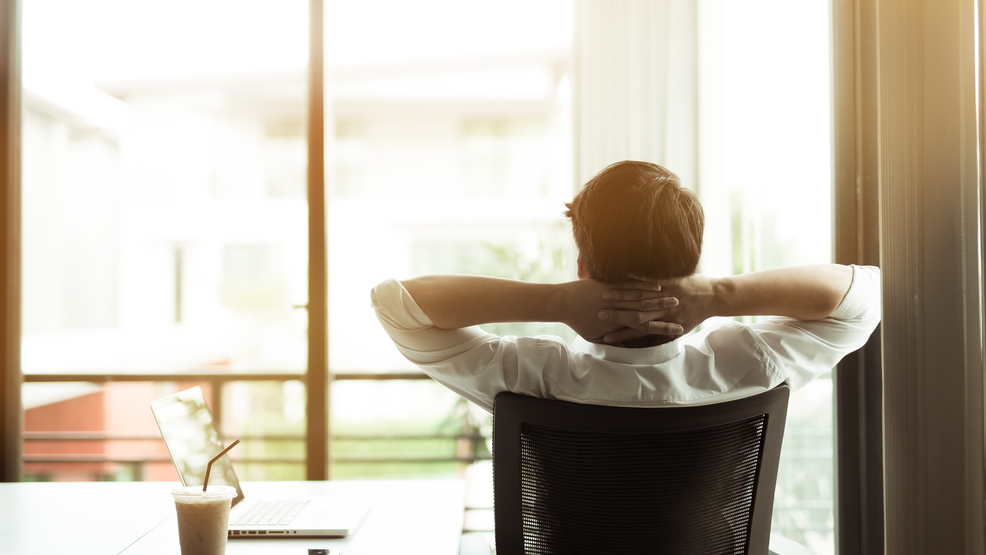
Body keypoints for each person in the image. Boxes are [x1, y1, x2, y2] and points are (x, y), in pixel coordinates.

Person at [370, 160, 880, 412]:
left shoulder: (532, 378)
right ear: (692, 264)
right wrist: (715, 295)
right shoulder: (746, 366)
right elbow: (863, 295)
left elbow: (397, 304)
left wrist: (556, 301)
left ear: (582, 265)